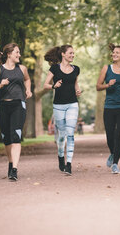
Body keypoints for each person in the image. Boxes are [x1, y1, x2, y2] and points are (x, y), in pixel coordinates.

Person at [0, 43, 32, 181]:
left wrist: (28, 90)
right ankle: (11, 163)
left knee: (16, 135)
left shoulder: (22, 69)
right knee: (7, 138)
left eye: (19, 52)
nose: (19, 55)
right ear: (9, 54)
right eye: (17, 52)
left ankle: (15, 170)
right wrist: (0, 85)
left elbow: (27, 79)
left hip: (19, 104)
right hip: (3, 106)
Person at [96, 43, 120, 174]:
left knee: (119, 135)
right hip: (109, 106)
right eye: (113, 52)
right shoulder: (106, 68)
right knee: (110, 136)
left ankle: (115, 164)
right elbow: (98, 86)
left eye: (117, 53)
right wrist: (108, 85)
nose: (114, 54)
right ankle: (113, 153)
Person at [43, 45, 81, 175]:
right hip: (58, 105)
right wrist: (54, 85)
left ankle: (69, 164)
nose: (72, 55)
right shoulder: (54, 68)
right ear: (63, 54)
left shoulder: (76, 69)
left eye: (73, 53)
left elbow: (75, 83)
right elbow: (45, 85)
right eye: (70, 53)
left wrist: (78, 90)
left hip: (72, 104)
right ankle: (60, 157)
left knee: (70, 133)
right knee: (62, 136)